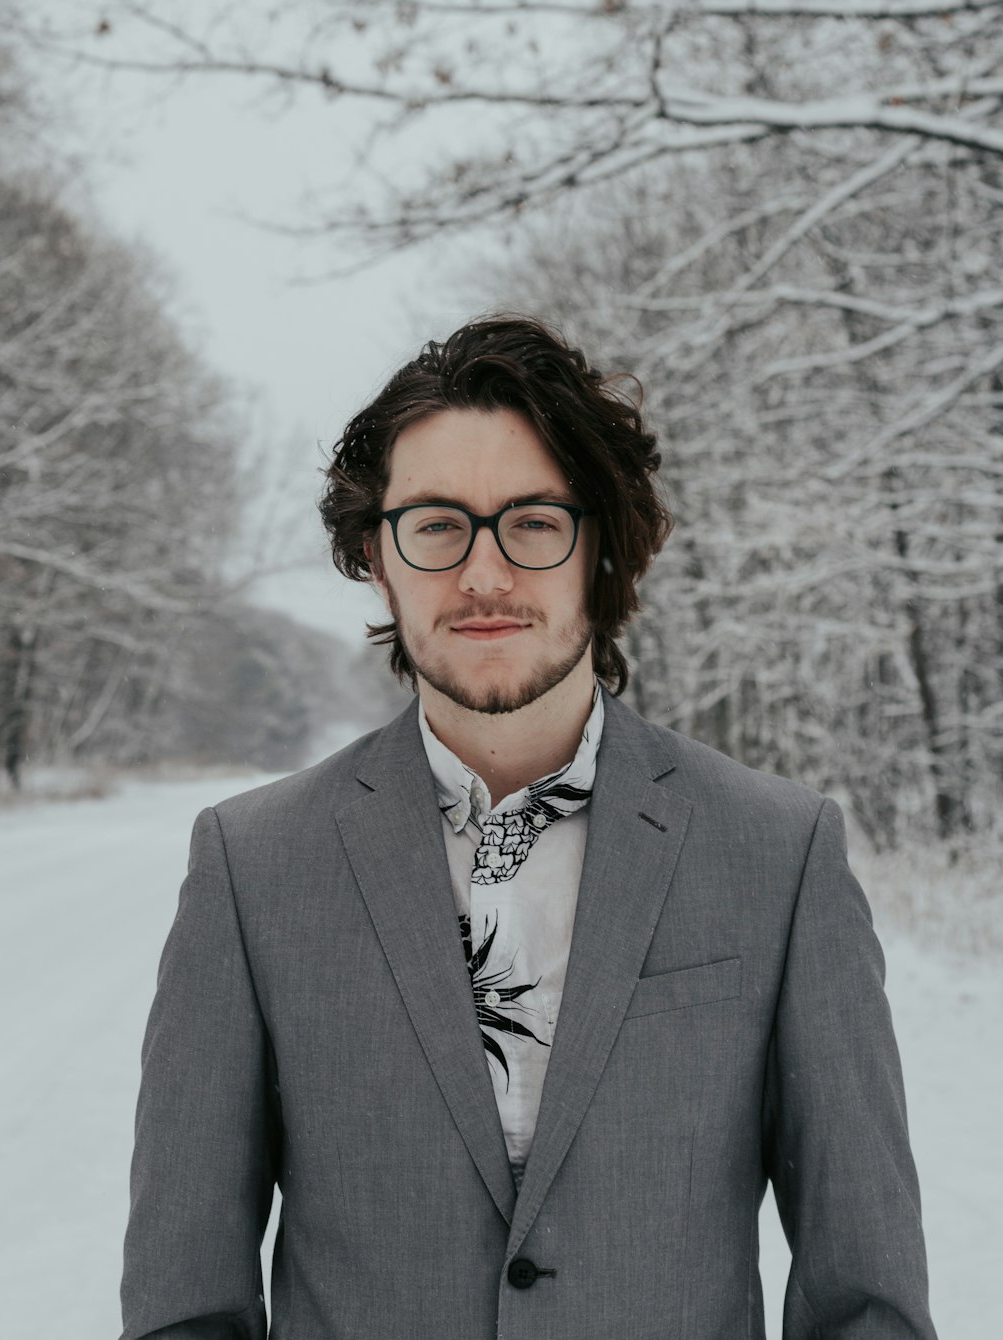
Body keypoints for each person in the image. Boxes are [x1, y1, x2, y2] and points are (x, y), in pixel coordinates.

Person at [120, 315, 936, 1339]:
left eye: (534, 521)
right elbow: (183, 1305)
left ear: (600, 546)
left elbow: (868, 1300)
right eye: (436, 523)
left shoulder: (781, 852)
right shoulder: (252, 866)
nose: (485, 573)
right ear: (378, 554)